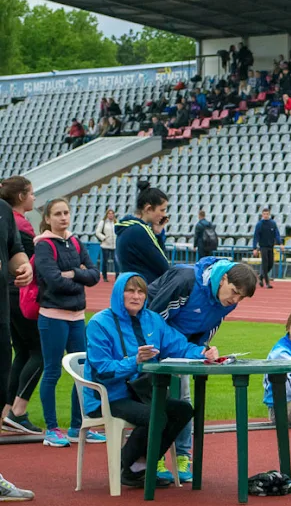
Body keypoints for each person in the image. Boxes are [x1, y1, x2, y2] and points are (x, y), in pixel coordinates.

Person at [84, 273, 218, 488]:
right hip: (110, 396)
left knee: (183, 410)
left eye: (141, 292)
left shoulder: (152, 319)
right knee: (157, 414)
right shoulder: (99, 324)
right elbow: (102, 370)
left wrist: (203, 353)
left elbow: (178, 345)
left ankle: (140, 465)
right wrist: (134, 361)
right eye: (130, 291)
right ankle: (124, 465)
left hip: (142, 394)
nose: (136, 296)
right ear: (119, 293)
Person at [147, 257, 258, 482]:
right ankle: (155, 456)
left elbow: (208, 326)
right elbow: (153, 320)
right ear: (223, 278)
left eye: (241, 297)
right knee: (159, 398)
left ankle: (183, 456)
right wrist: (180, 351)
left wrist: (202, 351)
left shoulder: (228, 300)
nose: (235, 300)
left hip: (182, 350)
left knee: (184, 399)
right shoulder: (186, 280)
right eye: (234, 291)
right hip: (153, 343)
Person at [35, 198, 102, 447]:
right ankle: (52, 429)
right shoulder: (44, 246)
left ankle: (77, 426)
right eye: (58, 214)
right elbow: (52, 280)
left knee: (82, 373)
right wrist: (79, 279)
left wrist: (74, 273)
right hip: (53, 317)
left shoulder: (75, 241)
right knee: (52, 372)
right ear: (48, 219)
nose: (63, 217)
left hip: (77, 317)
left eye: (66, 212)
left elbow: (94, 274)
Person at [1, 177, 44, 435]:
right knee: (40, 352)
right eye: (31, 193)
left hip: (8, 295)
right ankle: (18, 410)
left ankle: (8, 410)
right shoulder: (21, 226)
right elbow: (32, 262)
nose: (34, 198)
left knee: (22, 351)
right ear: (20, 197)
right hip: (19, 294)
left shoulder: (8, 219)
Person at [0, 189, 32, 501]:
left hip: (1, 316)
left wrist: (24, 266)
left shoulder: (3, 211)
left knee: (0, 390)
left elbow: (14, 250)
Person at [115, 180, 171, 284]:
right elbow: (164, 266)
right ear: (148, 209)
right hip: (144, 290)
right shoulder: (140, 231)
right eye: (162, 210)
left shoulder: (127, 228)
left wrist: (157, 233)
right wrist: (158, 236)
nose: (164, 215)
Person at [251, 207, 283, 289]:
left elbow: (277, 234)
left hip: (271, 246)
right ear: (262, 215)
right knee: (265, 264)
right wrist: (254, 248)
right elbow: (256, 236)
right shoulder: (259, 224)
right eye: (264, 214)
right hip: (263, 247)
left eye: (267, 214)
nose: (266, 215)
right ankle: (267, 282)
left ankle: (261, 276)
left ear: (269, 214)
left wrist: (280, 243)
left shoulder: (272, 223)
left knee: (271, 264)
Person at [94, 208, 117, 282]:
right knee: (105, 262)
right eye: (109, 213)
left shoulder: (116, 222)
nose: (111, 215)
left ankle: (117, 276)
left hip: (114, 245)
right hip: (105, 245)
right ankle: (105, 276)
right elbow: (98, 232)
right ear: (107, 214)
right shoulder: (103, 222)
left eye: (112, 213)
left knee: (116, 261)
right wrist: (103, 238)